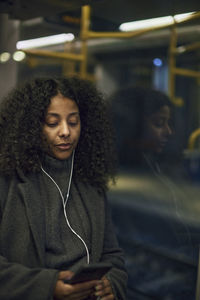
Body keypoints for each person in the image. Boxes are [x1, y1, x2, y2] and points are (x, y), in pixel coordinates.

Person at [0, 77, 127, 300]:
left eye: (74, 122)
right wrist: (47, 288)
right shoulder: (8, 180)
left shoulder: (89, 180)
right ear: (31, 127)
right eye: (52, 123)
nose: (66, 131)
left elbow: (112, 255)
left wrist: (112, 285)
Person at [110, 86, 198, 299]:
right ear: (132, 128)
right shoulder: (117, 180)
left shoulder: (153, 166)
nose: (168, 131)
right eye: (159, 123)